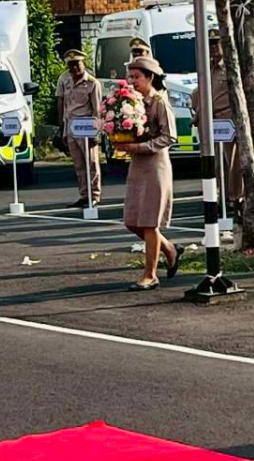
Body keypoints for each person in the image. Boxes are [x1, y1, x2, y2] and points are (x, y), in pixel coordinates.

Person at [116, 57, 180, 290]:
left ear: (150, 77)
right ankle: (169, 248)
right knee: (132, 220)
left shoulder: (159, 101)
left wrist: (140, 146)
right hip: (137, 164)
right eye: (130, 77)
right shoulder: (130, 102)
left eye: (137, 77)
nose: (132, 81)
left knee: (149, 222)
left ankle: (150, 275)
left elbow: (169, 136)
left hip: (155, 165)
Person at [191, 29, 242, 214]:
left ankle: (235, 198)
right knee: (217, 163)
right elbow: (203, 95)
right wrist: (197, 116)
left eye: (216, 43)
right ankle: (222, 197)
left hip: (228, 120)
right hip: (211, 121)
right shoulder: (206, 68)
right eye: (210, 44)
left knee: (232, 162)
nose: (213, 48)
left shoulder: (231, 67)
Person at [57, 49, 103, 208]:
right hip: (71, 127)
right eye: (71, 65)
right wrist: (63, 128)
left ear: (83, 63)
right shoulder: (65, 81)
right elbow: (64, 105)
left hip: (86, 127)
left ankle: (94, 195)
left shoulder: (92, 83)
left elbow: (97, 110)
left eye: (77, 64)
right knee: (79, 165)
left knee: (91, 162)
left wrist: (96, 133)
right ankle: (84, 195)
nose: (74, 68)